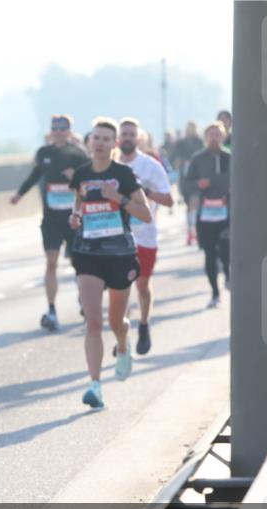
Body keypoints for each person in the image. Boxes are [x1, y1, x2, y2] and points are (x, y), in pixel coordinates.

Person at [68, 118, 152, 408]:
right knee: (93, 321)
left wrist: (117, 197)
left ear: (114, 144)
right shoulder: (81, 174)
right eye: (97, 138)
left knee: (117, 321)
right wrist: (75, 216)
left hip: (120, 255)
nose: (101, 143)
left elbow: (146, 214)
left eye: (107, 139)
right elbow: (78, 205)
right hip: (88, 253)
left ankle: (123, 344)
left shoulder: (124, 175)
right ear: (89, 142)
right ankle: (95, 386)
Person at [11, 114, 90, 331]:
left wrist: (74, 176)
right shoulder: (44, 153)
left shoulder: (78, 153)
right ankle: (52, 309)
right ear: (51, 130)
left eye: (62, 127)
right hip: (51, 218)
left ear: (69, 130)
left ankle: (84, 301)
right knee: (51, 261)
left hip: (74, 217)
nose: (58, 131)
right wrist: (19, 194)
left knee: (79, 263)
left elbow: (88, 182)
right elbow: (35, 175)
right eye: (55, 127)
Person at [118, 118, 174, 355]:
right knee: (120, 287)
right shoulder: (110, 165)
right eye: (124, 134)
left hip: (145, 236)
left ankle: (143, 324)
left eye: (132, 134)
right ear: (118, 138)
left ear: (139, 138)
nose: (128, 138)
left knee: (141, 285)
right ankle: (123, 338)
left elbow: (169, 200)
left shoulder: (150, 166)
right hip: (118, 237)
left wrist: (145, 192)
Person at [185, 122, 232, 308]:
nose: (214, 138)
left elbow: (238, 180)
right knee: (209, 253)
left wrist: (226, 187)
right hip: (205, 213)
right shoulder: (198, 159)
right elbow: (186, 184)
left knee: (226, 249)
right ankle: (215, 292)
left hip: (226, 210)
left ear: (223, 137)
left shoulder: (230, 157)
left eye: (217, 135)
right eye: (211, 135)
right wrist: (198, 184)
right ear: (206, 137)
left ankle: (228, 275)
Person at [173, 121, 204, 246]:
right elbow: (175, 159)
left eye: (193, 128)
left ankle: (195, 232)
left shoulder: (200, 141)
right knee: (188, 206)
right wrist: (179, 162)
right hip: (185, 178)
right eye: (188, 128)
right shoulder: (181, 143)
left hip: (197, 177)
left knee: (195, 203)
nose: (190, 130)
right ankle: (190, 231)